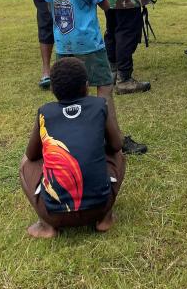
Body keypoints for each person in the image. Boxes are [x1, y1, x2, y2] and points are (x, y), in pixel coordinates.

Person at [44, 0, 147, 155]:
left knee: (73, 93)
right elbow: (105, 3)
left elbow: (51, 7)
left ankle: (76, 141)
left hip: (63, 44)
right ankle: (114, 140)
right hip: (89, 44)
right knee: (104, 88)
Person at [19, 57, 125, 238]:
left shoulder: (45, 112)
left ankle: (46, 226)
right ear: (86, 85)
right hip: (100, 206)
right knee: (119, 154)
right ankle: (105, 218)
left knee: (25, 162)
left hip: (54, 215)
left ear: (52, 89)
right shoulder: (99, 106)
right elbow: (116, 145)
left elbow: (31, 154)